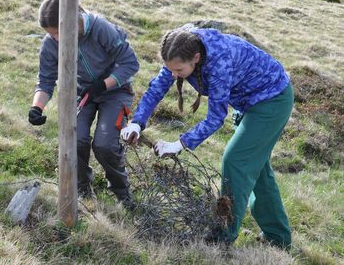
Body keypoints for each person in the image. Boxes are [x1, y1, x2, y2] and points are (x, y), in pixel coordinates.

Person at [121, 26, 293, 248]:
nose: (174, 75)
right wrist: (137, 122)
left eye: (179, 70)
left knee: (236, 161)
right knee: (256, 169)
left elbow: (215, 117)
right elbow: (157, 88)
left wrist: (180, 143)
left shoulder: (219, 60)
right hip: (249, 101)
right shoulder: (179, 48)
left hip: (272, 100)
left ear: (196, 58)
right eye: (170, 69)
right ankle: (278, 238)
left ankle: (223, 235)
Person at [29, 0, 139, 207]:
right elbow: (45, 79)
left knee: (105, 145)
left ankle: (122, 194)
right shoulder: (51, 43)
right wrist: (37, 107)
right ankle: (82, 190)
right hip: (80, 94)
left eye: (57, 32)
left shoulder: (100, 28)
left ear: (72, 21)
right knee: (74, 140)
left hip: (115, 91)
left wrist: (103, 84)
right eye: (51, 34)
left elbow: (130, 63)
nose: (56, 39)